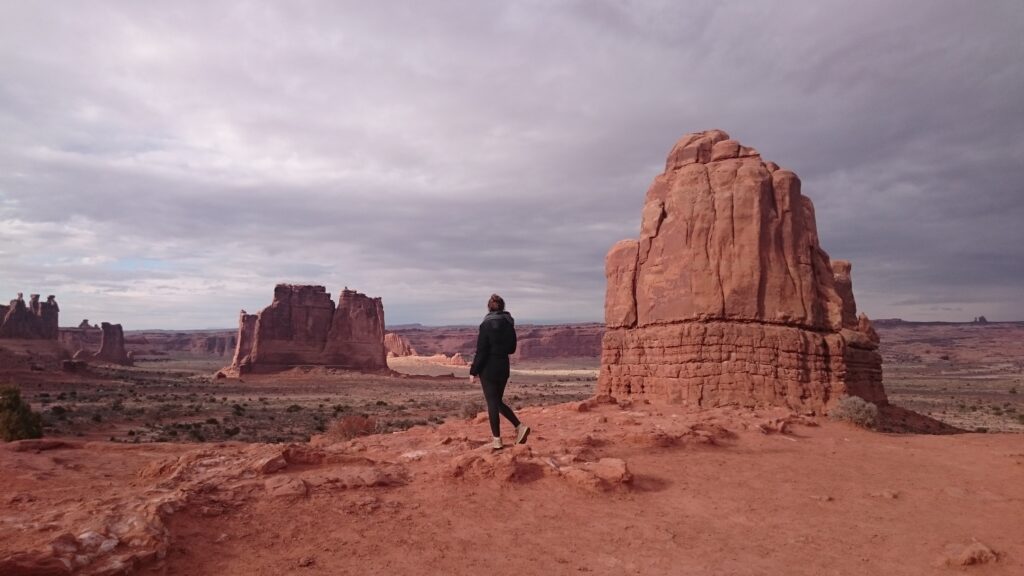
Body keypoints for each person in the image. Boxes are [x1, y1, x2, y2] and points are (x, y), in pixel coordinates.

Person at [469, 294, 529, 450]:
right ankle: (519, 427)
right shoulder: (509, 324)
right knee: (497, 401)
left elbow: (481, 351)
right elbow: (512, 349)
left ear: (489, 307)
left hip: (488, 368)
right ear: (503, 307)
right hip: (503, 366)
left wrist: (473, 371)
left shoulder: (486, 325)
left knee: (492, 403)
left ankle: (497, 440)